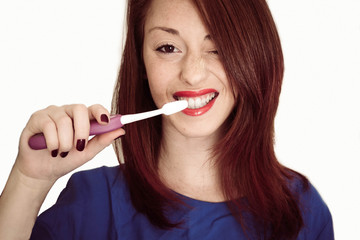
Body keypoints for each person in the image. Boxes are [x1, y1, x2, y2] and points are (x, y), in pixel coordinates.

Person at [0, 0, 334, 239]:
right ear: (141, 62)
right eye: (168, 48)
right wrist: (29, 181)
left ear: (254, 54)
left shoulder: (302, 210)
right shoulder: (92, 203)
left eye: (217, 48)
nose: (192, 74)